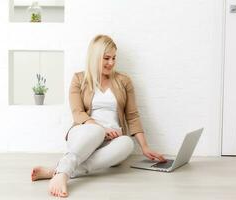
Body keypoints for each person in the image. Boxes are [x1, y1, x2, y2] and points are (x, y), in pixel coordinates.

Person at [31, 34, 166, 197]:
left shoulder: (124, 81)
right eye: (106, 58)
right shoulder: (79, 79)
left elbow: (133, 116)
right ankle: (62, 173)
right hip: (85, 134)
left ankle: (59, 171)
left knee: (127, 143)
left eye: (114, 58)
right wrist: (100, 128)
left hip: (112, 141)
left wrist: (145, 147)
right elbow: (77, 113)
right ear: (95, 57)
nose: (111, 63)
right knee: (97, 131)